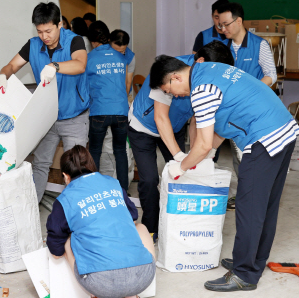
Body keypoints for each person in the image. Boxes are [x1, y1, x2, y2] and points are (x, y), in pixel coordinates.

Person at [149, 56, 299, 292]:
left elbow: (202, 144)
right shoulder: (211, 69)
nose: (176, 96)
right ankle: (252, 261)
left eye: (171, 90)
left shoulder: (201, 89)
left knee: (249, 207)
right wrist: (206, 158)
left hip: (263, 138)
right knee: (265, 205)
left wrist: (182, 166)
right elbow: (220, 128)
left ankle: (244, 274)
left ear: (176, 77)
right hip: (282, 131)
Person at [128, 41, 234, 240]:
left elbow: (197, 120)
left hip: (174, 126)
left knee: (185, 173)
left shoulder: (204, 79)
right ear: (201, 61)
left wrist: (198, 155)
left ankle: (179, 223)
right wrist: (178, 155)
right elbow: (160, 118)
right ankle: (151, 228)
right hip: (144, 125)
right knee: (150, 179)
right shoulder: (170, 71)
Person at [0, 2, 89, 202]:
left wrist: (55, 66)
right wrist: (3, 75)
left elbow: (80, 65)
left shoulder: (75, 41)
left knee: (76, 168)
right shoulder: (33, 45)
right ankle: (32, 208)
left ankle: (75, 212)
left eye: (48, 31)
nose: (44, 36)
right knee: (40, 163)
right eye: (40, 31)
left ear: (59, 25)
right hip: (47, 116)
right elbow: (11, 65)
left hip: (74, 117)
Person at [46, 145, 155, 298]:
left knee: (66, 240)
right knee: (141, 227)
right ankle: (130, 294)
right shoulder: (113, 183)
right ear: (91, 166)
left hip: (100, 284)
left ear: (65, 176)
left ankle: (94, 293)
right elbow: (132, 215)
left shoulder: (65, 199)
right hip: (143, 278)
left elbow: (55, 250)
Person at [216, 2, 279, 209]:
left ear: (239, 20)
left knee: (256, 155)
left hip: (255, 111)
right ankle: (245, 196)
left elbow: (271, 75)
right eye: (220, 25)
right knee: (238, 155)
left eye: (226, 24)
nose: (222, 29)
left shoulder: (258, 44)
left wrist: (250, 93)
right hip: (234, 112)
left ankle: (259, 197)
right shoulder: (223, 48)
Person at [86, 27, 135, 191]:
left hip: (99, 109)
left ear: (93, 42)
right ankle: (123, 191)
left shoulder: (89, 57)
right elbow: (127, 80)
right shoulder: (123, 55)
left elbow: (85, 85)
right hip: (121, 110)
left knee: (94, 151)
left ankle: (94, 189)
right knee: (120, 150)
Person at [109, 29, 135, 94]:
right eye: (116, 51)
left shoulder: (130, 57)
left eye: (122, 51)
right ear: (109, 42)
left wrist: (124, 99)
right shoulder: (101, 54)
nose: (119, 55)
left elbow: (128, 82)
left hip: (121, 92)